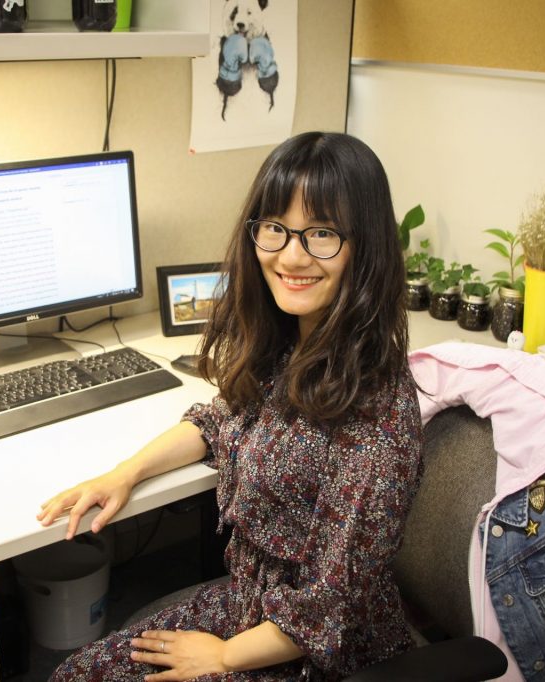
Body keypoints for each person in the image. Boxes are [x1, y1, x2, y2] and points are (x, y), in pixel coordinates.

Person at [38, 131, 424, 681]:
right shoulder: (293, 343)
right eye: (276, 229)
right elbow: (220, 421)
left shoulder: (378, 414)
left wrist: (220, 657)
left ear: (367, 247)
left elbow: (330, 609)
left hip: (314, 654)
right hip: (251, 605)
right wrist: (125, 473)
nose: (292, 255)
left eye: (322, 234)